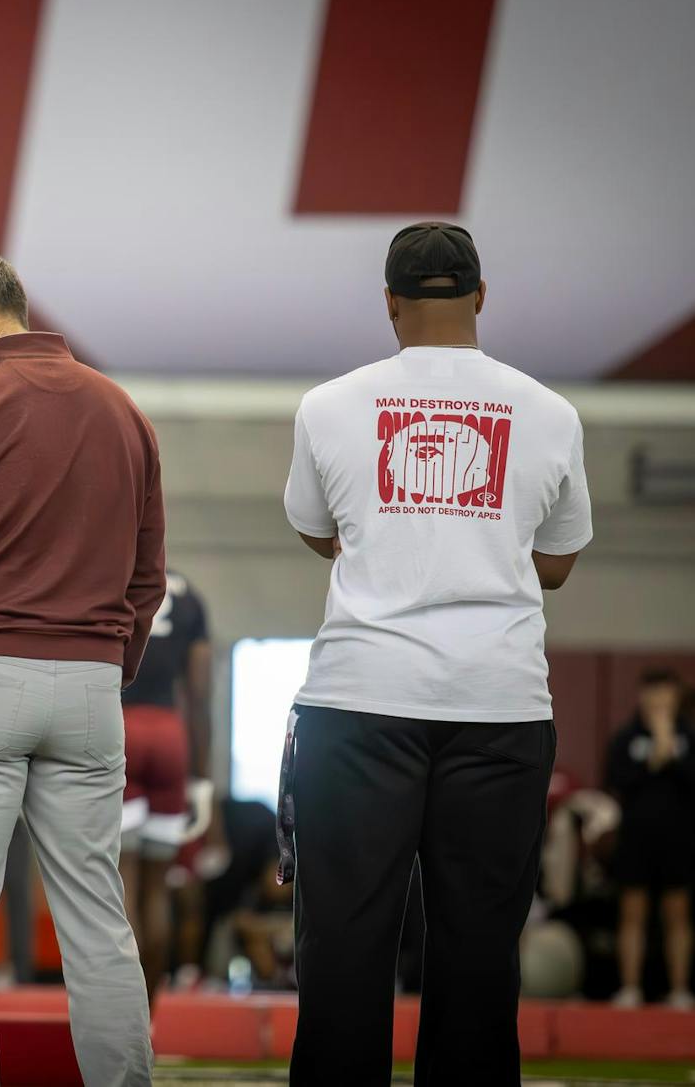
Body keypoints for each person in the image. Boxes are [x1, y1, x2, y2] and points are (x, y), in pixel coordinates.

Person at [282, 222, 593, 1085]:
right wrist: (480, 544)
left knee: (343, 950)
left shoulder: (328, 405)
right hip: (499, 707)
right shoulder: (550, 412)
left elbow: (318, 529)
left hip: (358, 704)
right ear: (481, 296)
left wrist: (393, 539)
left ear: (389, 302)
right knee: (480, 955)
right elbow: (558, 562)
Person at [0, 246, 163, 1087]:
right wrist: (103, 668)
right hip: (89, 689)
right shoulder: (124, 412)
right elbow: (148, 579)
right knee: (98, 924)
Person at [118, 568, 210, 1003]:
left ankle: (123, 1012)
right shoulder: (189, 594)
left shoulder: (114, 576)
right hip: (170, 734)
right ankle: (150, 1012)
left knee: (123, 883)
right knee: (157, 889)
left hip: (121, 726)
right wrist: (202, 779)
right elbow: (200, 693)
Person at [607, 668, 694, 1008]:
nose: (658, 699)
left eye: (665, 692)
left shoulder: (689, 736)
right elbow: (616, 781)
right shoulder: (626, 737)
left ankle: (680, 990)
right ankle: (630, 988)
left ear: (677, 696)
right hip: (636, 838)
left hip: (679, 839)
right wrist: (654, 757)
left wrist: (670, 749)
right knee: (633, 913)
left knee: (678, 915)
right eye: (652, 691)